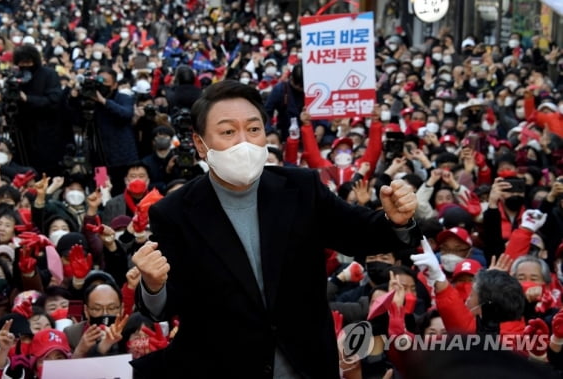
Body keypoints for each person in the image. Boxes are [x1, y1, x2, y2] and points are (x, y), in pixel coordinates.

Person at [131, 80, 421, 378]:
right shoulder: (174, 213)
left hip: (306, 364)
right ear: (200, 144)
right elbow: (165, 307)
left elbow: (358, 232)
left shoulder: (301, 188)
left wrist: (396, 221)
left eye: (253, 129)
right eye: (228, 131)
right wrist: (153, 284)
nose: (243, 142)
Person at [9, 44, 71, 176]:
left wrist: (28, 99)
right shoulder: (16, 77)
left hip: (47, 132)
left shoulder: (49, 75)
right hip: (23, 132)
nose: (25, 65)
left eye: (28, 62)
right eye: (21, 62)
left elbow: (54, 101)